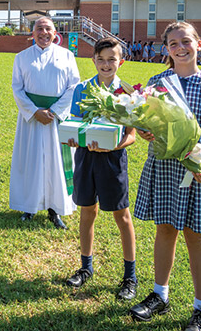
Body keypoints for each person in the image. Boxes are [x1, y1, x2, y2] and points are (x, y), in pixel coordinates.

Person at [129, 22, 201, 331]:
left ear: (199, 44)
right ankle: (160, 295)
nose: (180, 47)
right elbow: (149, 125)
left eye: (186, 41)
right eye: (173, 43)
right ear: (166, 50)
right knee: (165, 230)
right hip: (164, 168)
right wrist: (147, 132)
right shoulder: (157, 81)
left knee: (197, 237)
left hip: (198, 171)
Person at [64, 37, 138, 300]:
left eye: (112, 59)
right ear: (93, 60)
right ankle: (85, 267)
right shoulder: (82, 89)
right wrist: (73, 137)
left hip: (113, 161)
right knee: (87, 211)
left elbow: (132, 135)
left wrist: (115, 146)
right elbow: (74, 125)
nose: (106, 65)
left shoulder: (128, 94)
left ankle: (130, 276)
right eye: (101, 59)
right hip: (85, 157)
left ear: (121, 61)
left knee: (122, 215)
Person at [9, 17, 80, 229]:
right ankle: (29, 206)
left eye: (48, 28)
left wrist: (55, 111)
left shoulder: (66, 55)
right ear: (32, 33)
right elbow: (17, 88)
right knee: (31, 162)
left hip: (56, 119)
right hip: (31, 119)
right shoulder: (21, 58)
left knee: (56, 163)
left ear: (55, 32)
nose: (43, 32)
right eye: (39, 29)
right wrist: (34, 111)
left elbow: (73, 87)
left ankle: (55, 209)